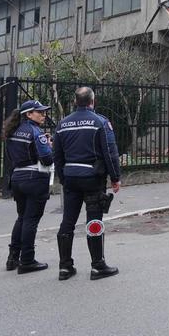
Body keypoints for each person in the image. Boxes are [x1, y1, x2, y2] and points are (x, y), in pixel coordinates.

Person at [54, 87, 121, 281]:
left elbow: (57, 156)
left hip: (71, 178)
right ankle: (98, 266)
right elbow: (110, 153)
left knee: (68, 221)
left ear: (76, 101)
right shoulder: (100, 122)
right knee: (94, 220)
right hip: (93, 178)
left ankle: (65, 267)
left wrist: (64, 178)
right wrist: (115, 178)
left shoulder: (62, 124)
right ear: (93, 100)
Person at [4, 100, 54, 273]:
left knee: (21, 218)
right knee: (31, 220)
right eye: (39, 112)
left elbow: (10, 156)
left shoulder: (11, 131)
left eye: (43, 112)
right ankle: (27, 260)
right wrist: (49, 146)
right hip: (35, 178)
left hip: (17, 177)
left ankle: (12, 258)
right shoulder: (35, 131)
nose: (43, 114)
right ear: (28, 114)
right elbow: (47, 159)